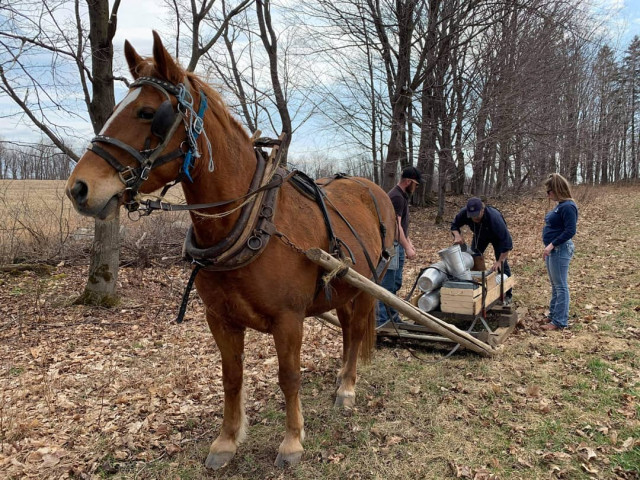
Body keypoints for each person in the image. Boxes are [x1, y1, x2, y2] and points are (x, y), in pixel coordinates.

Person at [376, 166, 422, 328]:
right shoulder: (396, 197)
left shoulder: (401, 196)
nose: (415, 188)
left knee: (395, 283)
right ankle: (382, 321)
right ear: (408, 181)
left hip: (397, 245)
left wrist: (409, 243)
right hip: (391, 246)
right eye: (415, 184)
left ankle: (392, 317)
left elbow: (402, 225)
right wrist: (406, 247)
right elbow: (395, 227)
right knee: (387, 284)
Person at [450, 197, 513, 303]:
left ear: (482, 210)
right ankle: (477, 288)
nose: (474, 218)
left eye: (477, 215)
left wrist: (499, 261)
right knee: (473, 258)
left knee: (502, 266)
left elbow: (507, 243)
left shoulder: (495, 219)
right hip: (480, 236)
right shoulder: (464, 213)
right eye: (472, 216)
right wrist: (457, 236)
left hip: (497, 238)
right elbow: (454, 225)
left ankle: (508, 294)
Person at [540, 173, 578, 331]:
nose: (548, 195)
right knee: (555, 285)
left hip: (560, 249)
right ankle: (554, 314)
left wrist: (552, 245)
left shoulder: (568, 206)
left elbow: (570, 231)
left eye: (549, 191)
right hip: (553, 250)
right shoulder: (560, 205)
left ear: (557, 190)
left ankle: (559, 321)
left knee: (561, 285)